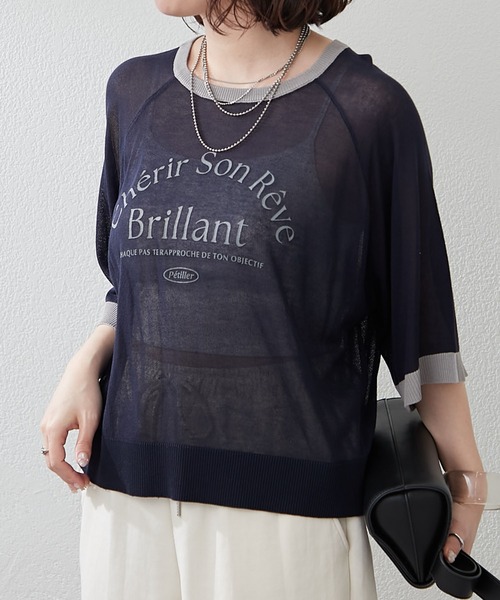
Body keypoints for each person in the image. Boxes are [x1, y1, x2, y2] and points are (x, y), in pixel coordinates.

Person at [40, 1, 485, 598]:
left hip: (286, 512)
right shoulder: (134, 91)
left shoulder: (366, 109)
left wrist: (468, 480)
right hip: (124, 495)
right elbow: (134, 283)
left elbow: (419, 321)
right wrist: (86, 361)